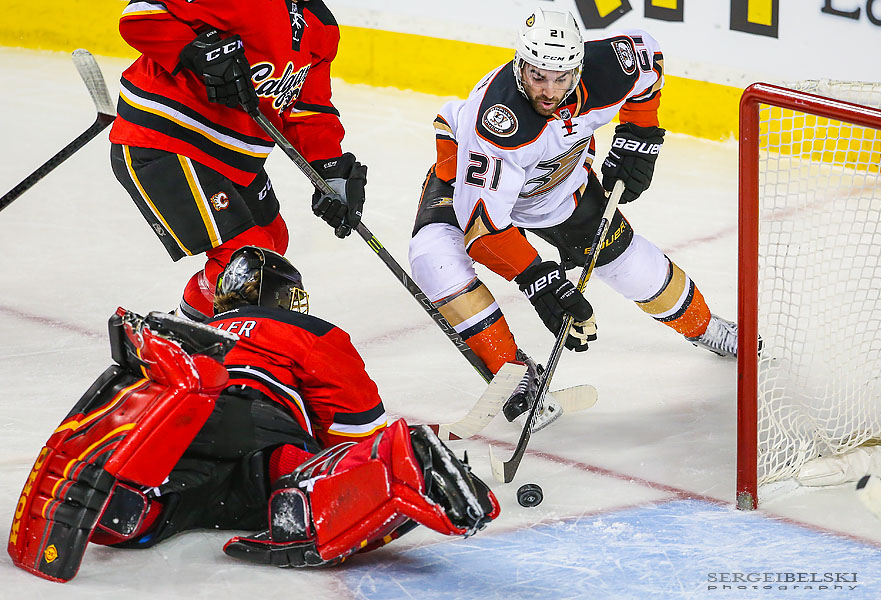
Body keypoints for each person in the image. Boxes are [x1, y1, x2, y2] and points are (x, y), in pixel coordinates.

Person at [8, 248, 498, 582]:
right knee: (296, 465)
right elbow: (354, 424)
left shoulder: (193, 332)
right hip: (262, 432)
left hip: (176, 429)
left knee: (182, 502)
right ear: (286, 297)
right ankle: (337, 488)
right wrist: (364, 452)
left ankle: (134, 512)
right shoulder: (307, 329)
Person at [408, 9, 740, 422]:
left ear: (578, 69)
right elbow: (484, 229)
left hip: (559, 186)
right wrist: (537, 279)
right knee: (433, 261)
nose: (548, 91)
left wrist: (640, 135)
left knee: (633, 267)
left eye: (561, 78)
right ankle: (515, 375)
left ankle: (708, 329)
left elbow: (649, 61)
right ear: (519, 65)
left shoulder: (607, 69)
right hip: (467, 180)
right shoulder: (499, 123)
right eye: (537, 76)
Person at [109, 0, 367, 322]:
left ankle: (184, 323)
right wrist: (196, 51)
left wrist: (331, 171)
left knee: (270, 244)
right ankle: (180, 341)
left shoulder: (322, 25)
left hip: (232, 158)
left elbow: (308, 109)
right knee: (245, 262)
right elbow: (141, 15)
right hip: (165, 139)